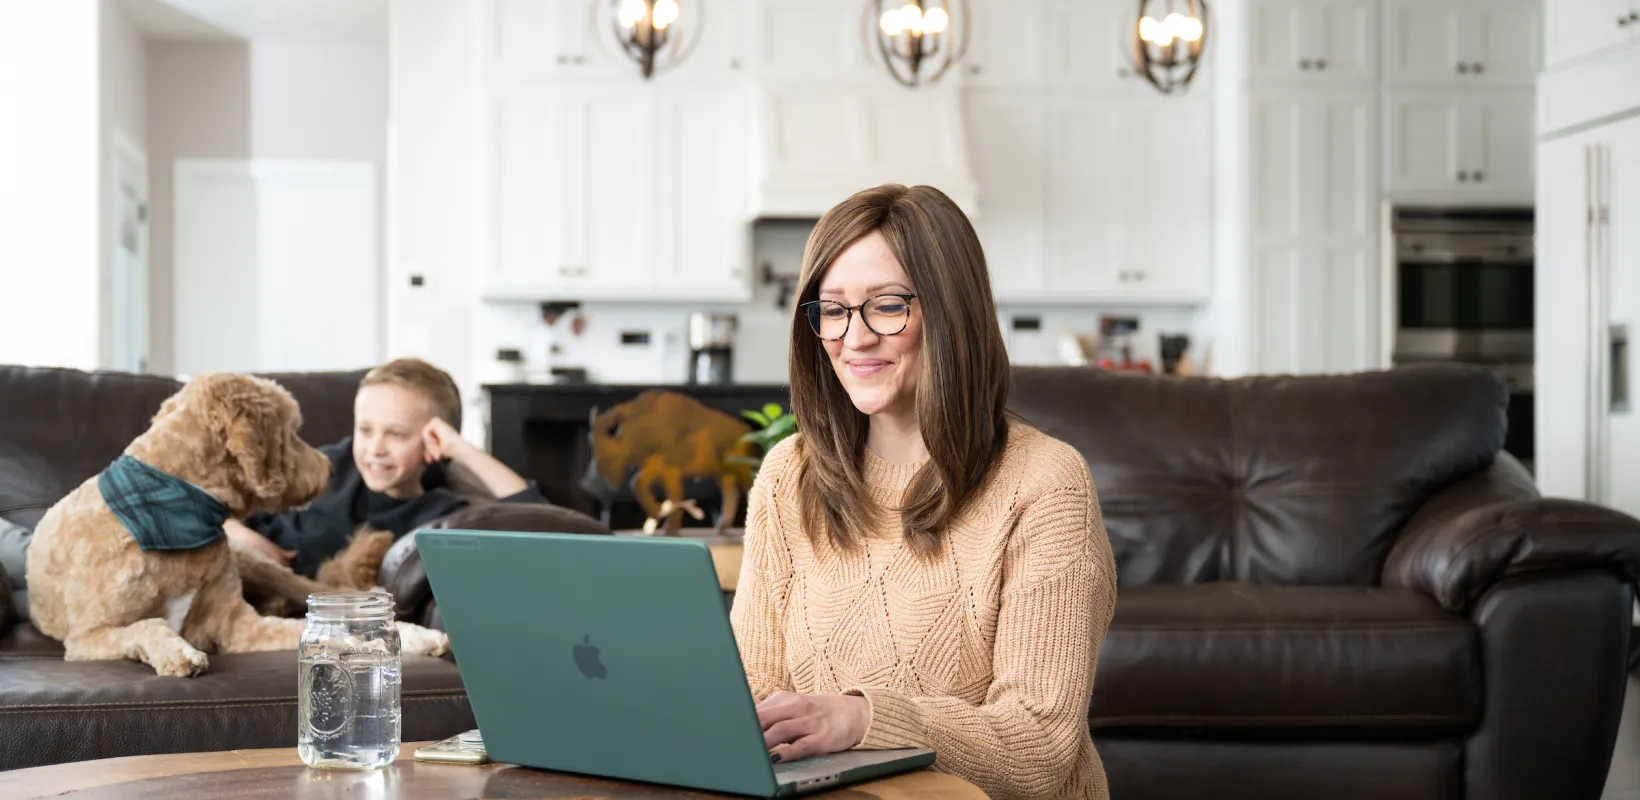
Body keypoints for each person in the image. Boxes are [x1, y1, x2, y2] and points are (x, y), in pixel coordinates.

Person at [729, 185, 1118, 799]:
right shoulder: (788, 475)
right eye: (832, 309)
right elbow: (753, 699)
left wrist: (864, 719)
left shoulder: (1045, 483)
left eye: (886, 306)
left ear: (950, 312)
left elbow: (1040, 746)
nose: (854, 337)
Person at [228, 358, 546, 577]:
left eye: (396, 434)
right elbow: (217, 503)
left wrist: (460, 448)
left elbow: (544, 525)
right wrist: (244, 538)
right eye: (366, 430)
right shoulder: (328, 465)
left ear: (433, 440)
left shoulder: (439, 515)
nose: (376, 448)